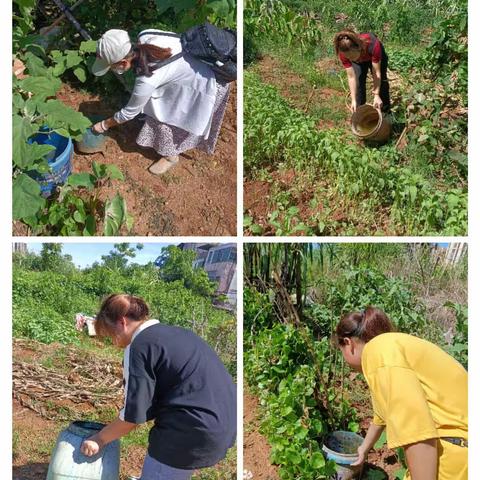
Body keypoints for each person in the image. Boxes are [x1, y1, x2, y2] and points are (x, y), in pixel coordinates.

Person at [80, 294, 236, 480]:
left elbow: (133, 415)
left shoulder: (139, 346)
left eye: (111, 335)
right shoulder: (178, 333)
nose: (113, 342)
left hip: (190, 431)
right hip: (225, 423)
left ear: (122, 322)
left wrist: (100, 438)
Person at [335, 306, 467, 480]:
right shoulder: (389, 347)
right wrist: (364, 449)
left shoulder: (379, 354)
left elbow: (417, 431)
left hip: (454, 456)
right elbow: (381, 415)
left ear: (348, 343)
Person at [91, 29, 231, 175]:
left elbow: (129, 113)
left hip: (208, 83)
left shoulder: (147, 80)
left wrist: (103, 125)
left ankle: (170, 156)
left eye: (112, 66)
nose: (113, 69)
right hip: (199, 70)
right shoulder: (145, 35)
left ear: (123, 62)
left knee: (166, 119)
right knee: (155, 105)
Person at [334, 30, 391, 113]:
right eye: (348, 57)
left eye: (352, 56)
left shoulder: (373, 45)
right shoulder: (343, 53)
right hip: (362, 57)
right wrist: (353, 100)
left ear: (358, 48)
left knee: (382, 82)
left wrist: (376, 95)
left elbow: (376, 73)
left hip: (373, 55)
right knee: (358, 83)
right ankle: (360, 113)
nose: (350, 59)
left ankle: (385, 113)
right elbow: (351, 77)